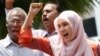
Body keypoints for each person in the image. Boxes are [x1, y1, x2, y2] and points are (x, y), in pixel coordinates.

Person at [19, 4, 94, 55]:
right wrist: (31, 14)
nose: (61, 29)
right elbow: (24, 40)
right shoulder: (54, 44)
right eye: (59, 26)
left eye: (65, 24)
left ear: (76, 25)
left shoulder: (94, 47)